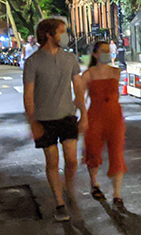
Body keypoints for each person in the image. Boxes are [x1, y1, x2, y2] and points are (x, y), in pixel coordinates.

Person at [23, 18, 87, 222]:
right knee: (52, 161)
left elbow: (78, 87)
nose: (65, 35)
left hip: (67, 116)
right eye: (61, 31)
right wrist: (33, 122)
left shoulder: (70, 59)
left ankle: (68, 190)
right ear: (49, 35)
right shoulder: (32, 62)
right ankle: (59, 202)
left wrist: (84, 113)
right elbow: (28, 95)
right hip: (44, 120)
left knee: (71, 160)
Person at [81, 41, 127, 212]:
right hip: (95, 117)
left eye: (109, 51)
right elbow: (81, 99)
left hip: (114, 117)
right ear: (95, 54)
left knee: (116, 153)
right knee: (93, 150)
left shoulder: (116, 72)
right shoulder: (88, 75)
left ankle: (117, 194)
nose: (107, 54)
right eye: (103, 51)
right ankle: (94, 183)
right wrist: (83, 118)